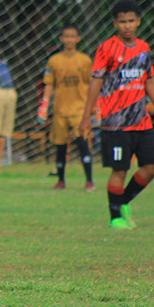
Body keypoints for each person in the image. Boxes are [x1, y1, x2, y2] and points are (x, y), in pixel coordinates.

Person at [78, 0, 154, 230]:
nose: (127, 26)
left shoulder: (143, 48)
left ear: (138, 21)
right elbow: (96, 82)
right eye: (122, 22)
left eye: (131, 21)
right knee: (120, 169)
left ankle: (123, 201)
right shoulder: (106, 48)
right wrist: (86, 116)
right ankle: (115, 218)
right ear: (115, 23)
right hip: (115, 123)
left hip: (141, 121)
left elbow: (149, 81)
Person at [36, 24, 96, 191]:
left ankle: (89, 181)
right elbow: (49, 84)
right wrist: (44, 105)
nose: (69, 40)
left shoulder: (84, 60)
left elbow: (92, 84)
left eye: (72, 36)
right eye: (66, 36)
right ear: (61, 39)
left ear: (78, 39)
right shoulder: (54, 60)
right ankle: (61, 181)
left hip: (79, 110)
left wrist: (96, 105)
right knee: (60, 146)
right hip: (60, 110)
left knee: (83, 143)